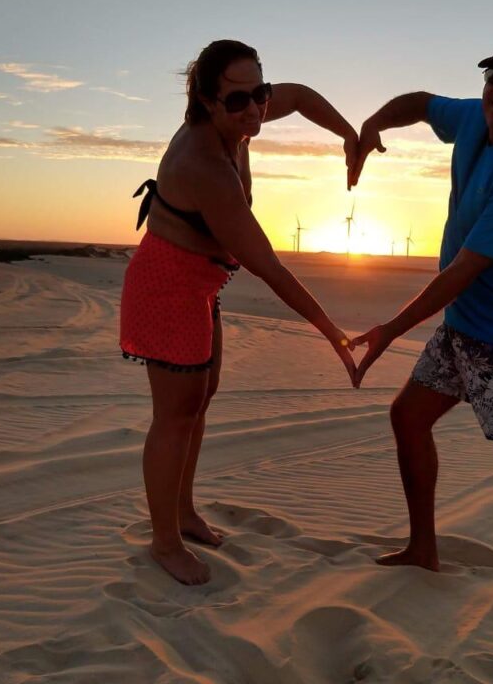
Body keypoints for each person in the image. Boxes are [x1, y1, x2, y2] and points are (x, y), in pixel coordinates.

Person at [349, 35, 493, 623]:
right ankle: (423, 548)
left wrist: (390, 330)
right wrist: (371, 125)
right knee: (407, 417)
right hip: (465, 324)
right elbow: (424, 102)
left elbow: (460, 273)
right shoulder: (478, 116)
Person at [120, 39, 358, 586]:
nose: (255, 110)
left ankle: (182, 511)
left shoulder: (243, 119)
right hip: (167, 287)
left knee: (200, 399)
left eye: (260, 94)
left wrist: (348, 134)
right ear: (207, 102)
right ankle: (164, 542)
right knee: (175, 415)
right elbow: (268, 265)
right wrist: (331, 332)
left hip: (202, 283)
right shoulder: (205, 164)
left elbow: (299, 97)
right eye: (238, 101)